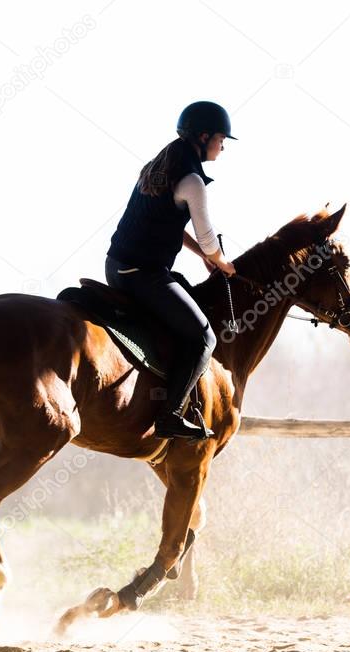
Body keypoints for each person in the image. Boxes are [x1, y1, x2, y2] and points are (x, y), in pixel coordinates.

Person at [104, 101, 238, 440]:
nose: (222, 146)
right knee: (205, 337)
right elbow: (208, 238)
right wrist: (223, 263)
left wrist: (202, 256)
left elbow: (172, 227)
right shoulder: (192, 180)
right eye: (221, 139)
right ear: (204, 136)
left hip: (117, 267)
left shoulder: (157, 167)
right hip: (144, 275)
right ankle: (170, 415)